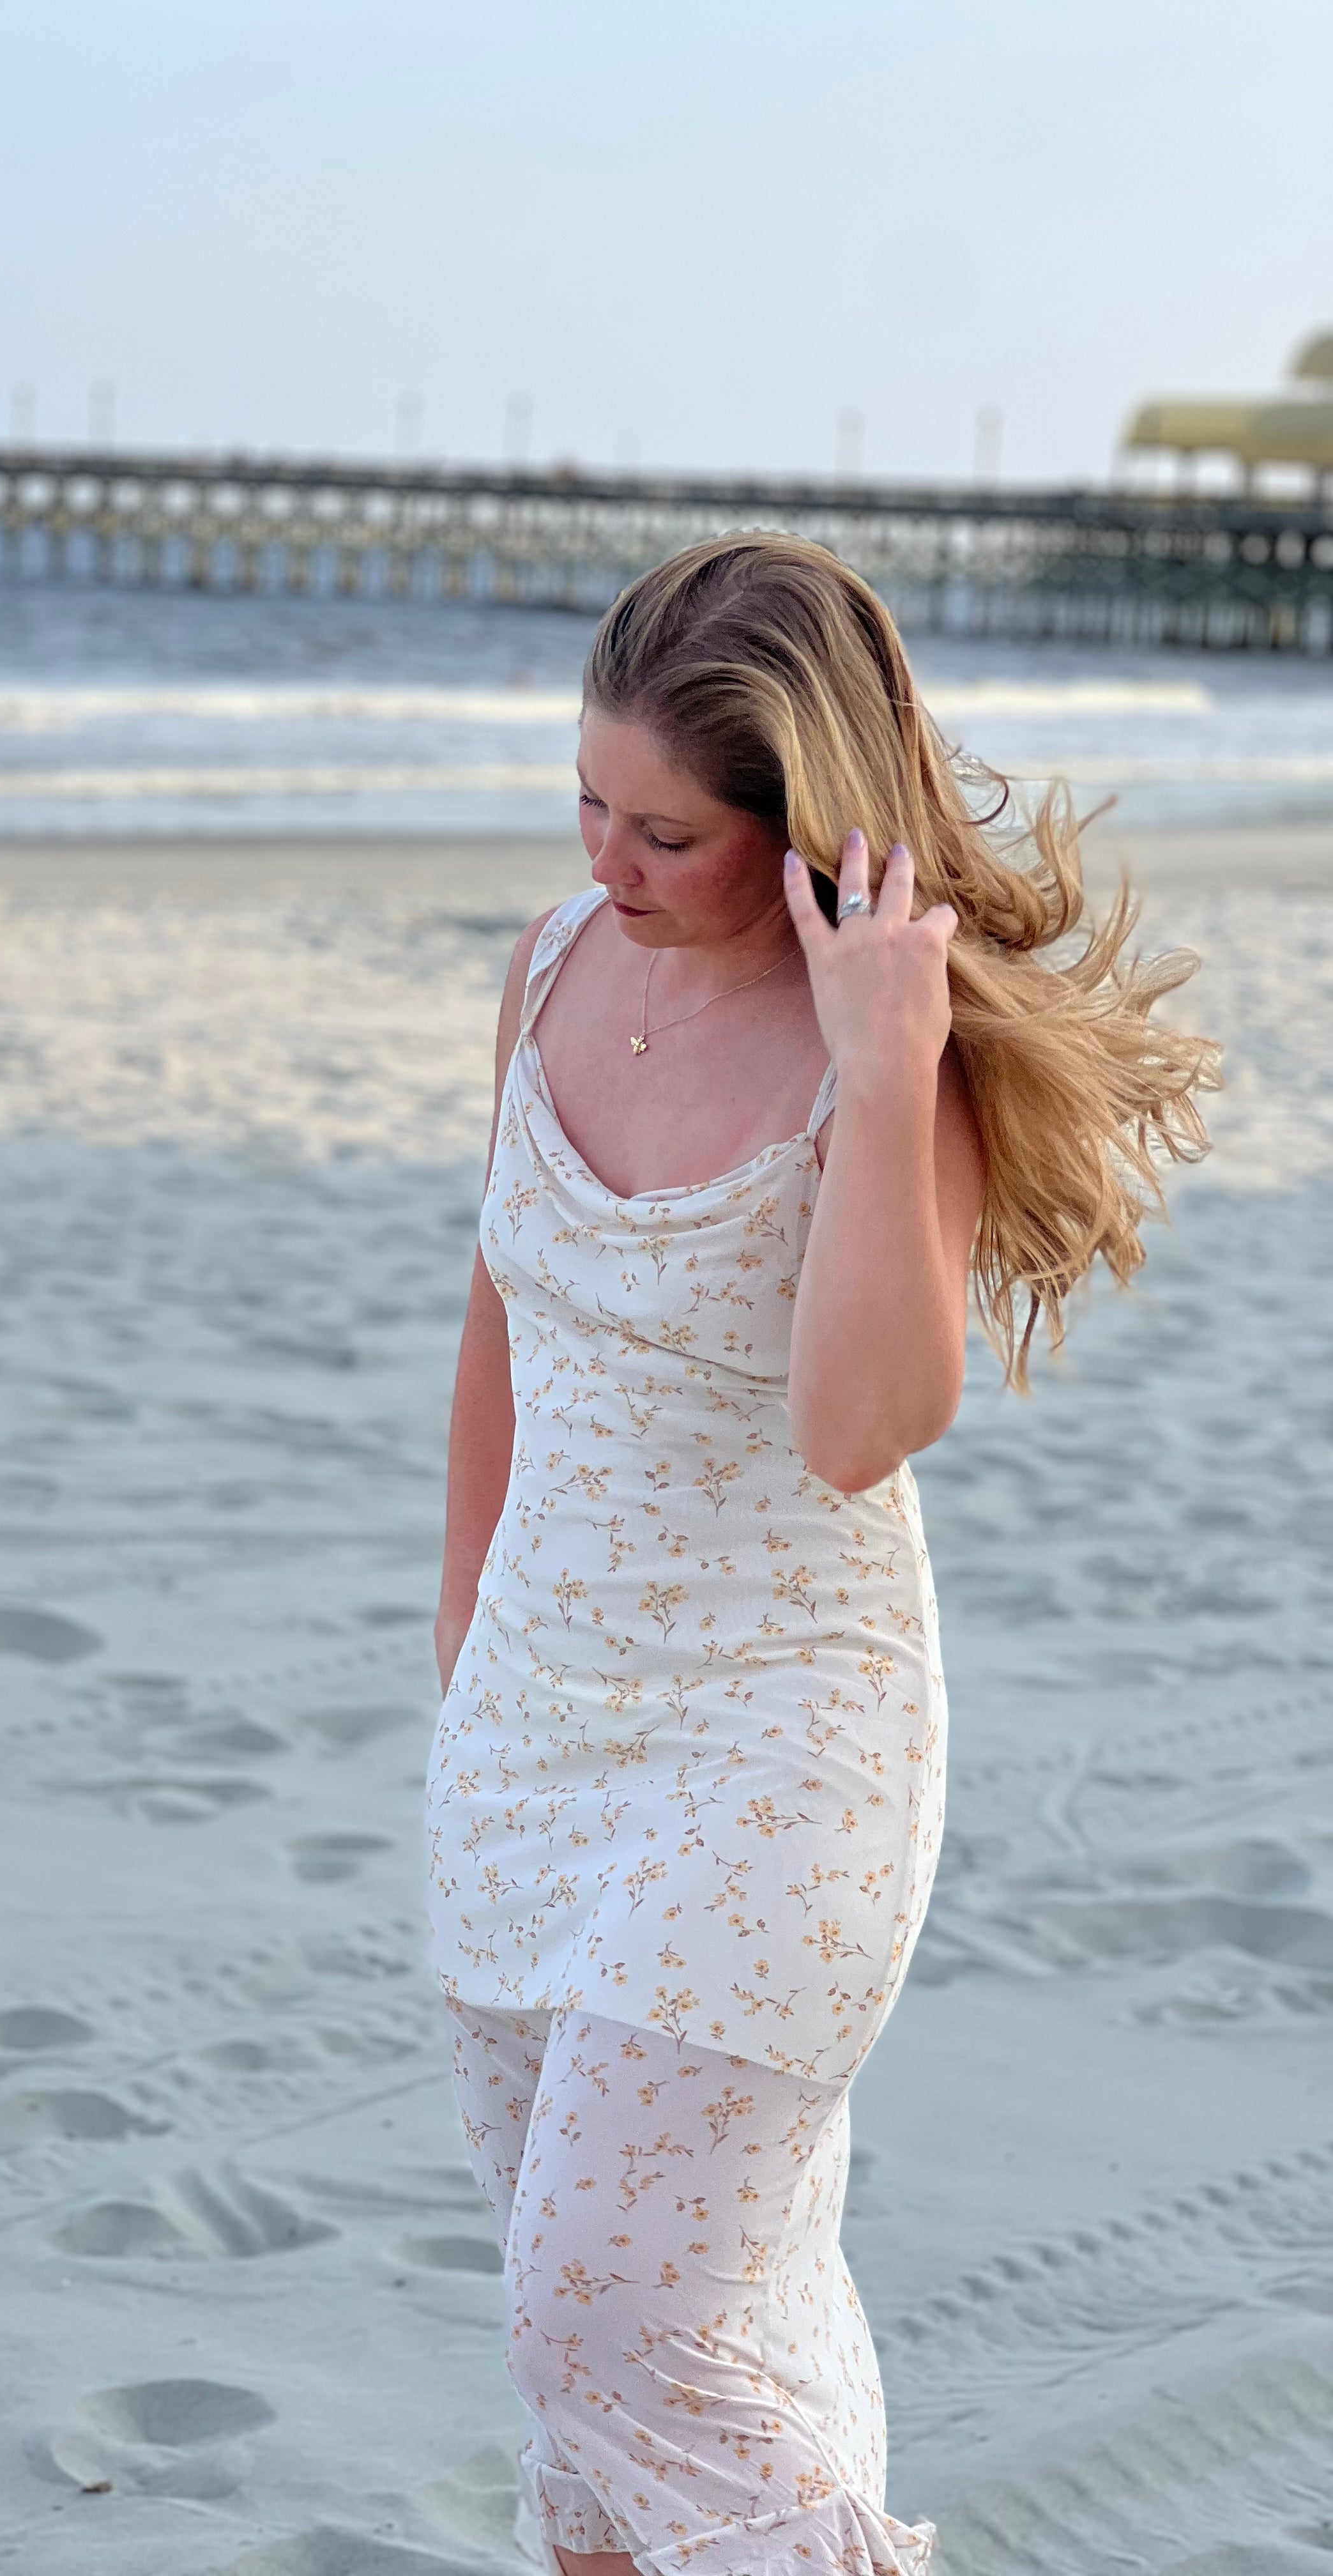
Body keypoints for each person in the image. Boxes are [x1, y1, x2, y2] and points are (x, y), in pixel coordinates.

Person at [426, 533, 1217, 2576]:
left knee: (601, 2317)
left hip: (780, 1753)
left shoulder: (895, 1059)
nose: (609, 852)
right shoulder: (541, 970)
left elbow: (860, 1426)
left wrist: (882, 1069)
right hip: (528, 1734)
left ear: (800, 829)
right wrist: (463, 1684)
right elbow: (503, 1329)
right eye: (586, 798)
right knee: (638, 2364)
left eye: (668, 830)